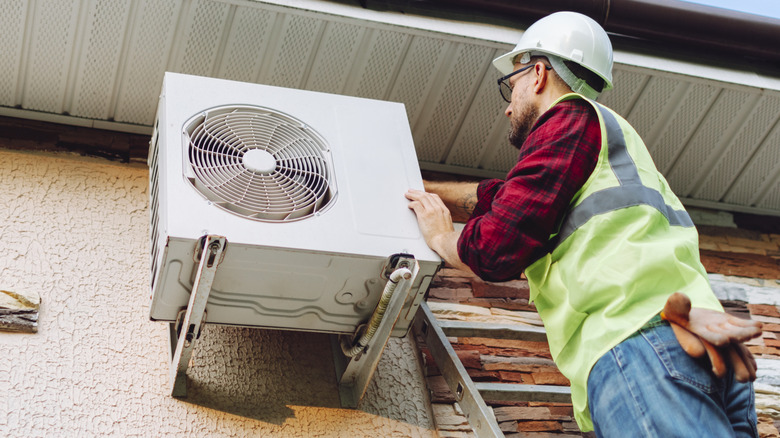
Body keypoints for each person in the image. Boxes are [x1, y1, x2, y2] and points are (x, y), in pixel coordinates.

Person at [406, 11, 763, 437]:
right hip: (698, 340)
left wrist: (441, 235)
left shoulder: (567, 119)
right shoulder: (609, 142)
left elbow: (494, 248)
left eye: (511, 84)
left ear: (538, 74)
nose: (507, 106)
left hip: (636, 341)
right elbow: (506, 197)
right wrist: (423, 187)